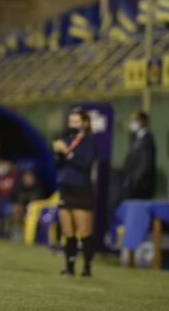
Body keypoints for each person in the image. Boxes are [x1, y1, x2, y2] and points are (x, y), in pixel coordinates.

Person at [53, 108, 97, 277]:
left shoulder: (89, 142)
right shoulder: (66, 139)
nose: (73, 125)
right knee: (68, 232)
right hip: (65, 188)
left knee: (84, 232)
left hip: (81, 190)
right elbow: (58, 164)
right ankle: (69, 267)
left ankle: (87, 267)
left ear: (85, 123)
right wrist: (57, 153)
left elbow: (85, 164)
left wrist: (67, 153)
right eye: (71, 121)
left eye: (76, 122)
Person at [122, 110, 157, 199]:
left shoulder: (147, 139)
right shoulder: (135, 138)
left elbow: (146, 163)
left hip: (141, 185)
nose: (132, 123)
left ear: (143, 121)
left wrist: (135, 179)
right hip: (133, 184)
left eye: (135, 120)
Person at [11, 169, 44, 241]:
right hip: (24, 207)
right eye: (26, 177)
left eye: (30, 177)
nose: (28, 179)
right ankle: (18, 231)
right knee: (17, 208)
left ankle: (35, 236)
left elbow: (40, 198)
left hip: (36, 209)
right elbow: (17, 198)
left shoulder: (37, 185)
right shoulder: (19, 185)